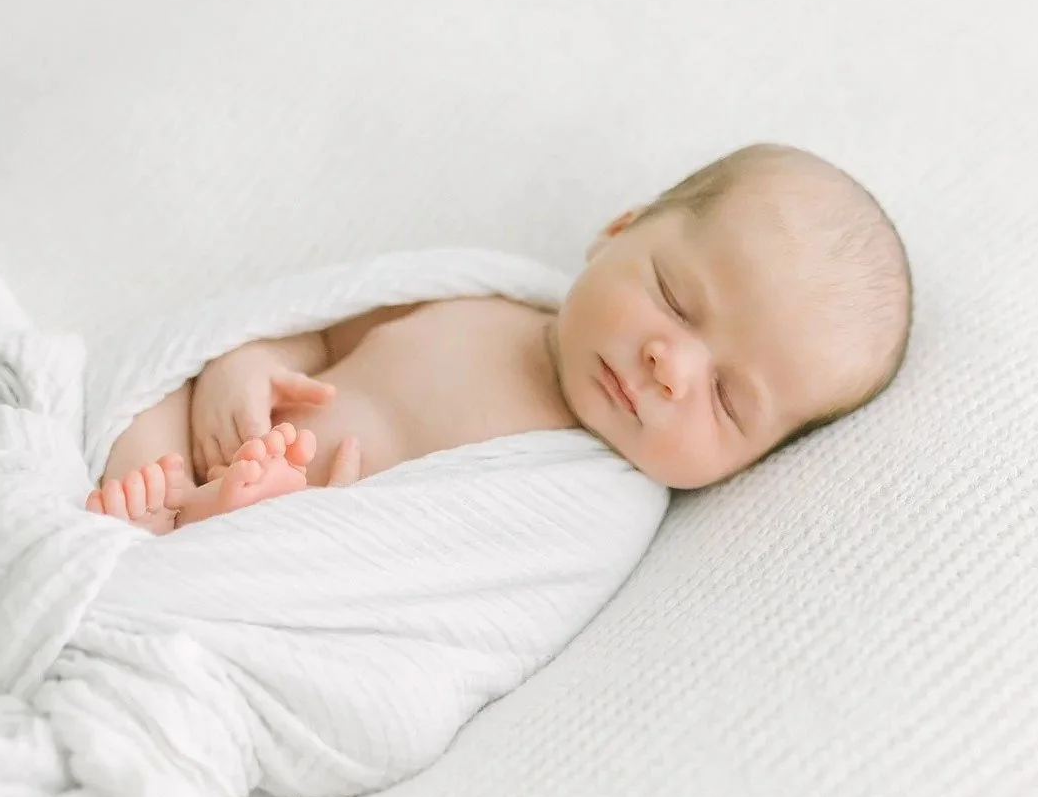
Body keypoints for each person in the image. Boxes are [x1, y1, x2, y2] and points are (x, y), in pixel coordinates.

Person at [85, 143, 912, 530]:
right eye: (674, 297)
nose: (672, 367)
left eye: (728, 400)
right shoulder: (480, 298)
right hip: (216, 444)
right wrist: (251, 364)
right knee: (154, 394)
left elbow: (446, 604)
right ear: (619, 230)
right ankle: (146, 502)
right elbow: (319, 332)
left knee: (237, 557)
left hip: (295, 547)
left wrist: (319, 527)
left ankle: (183, 532)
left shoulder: (585, 509)